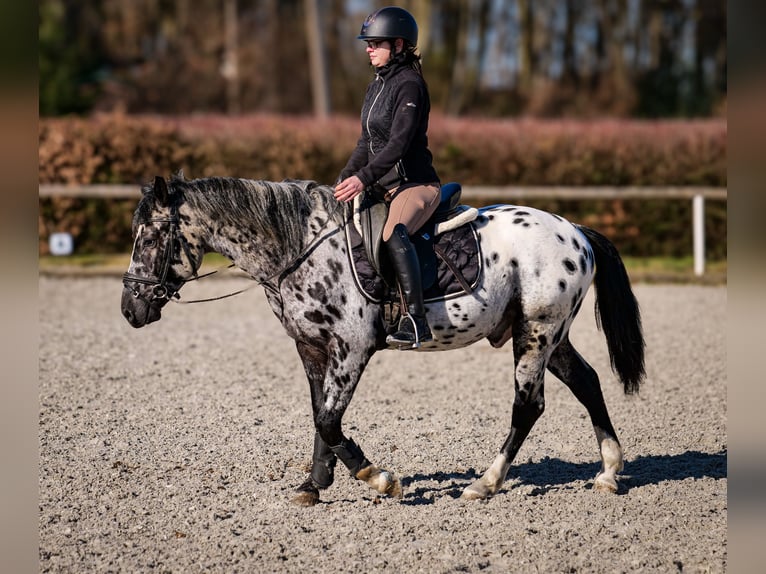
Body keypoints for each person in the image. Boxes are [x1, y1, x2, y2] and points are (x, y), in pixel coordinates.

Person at [334, 6, 441, 349]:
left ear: (398, 45)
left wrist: (363, 179)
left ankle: (416, 321)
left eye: (375, 42)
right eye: (367, 42)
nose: (368, 48)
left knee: (394, 234)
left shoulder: (410, 85)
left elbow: (399, 143)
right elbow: (366, 142)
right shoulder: (375, 87)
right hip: (383, 187)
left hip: (415, 186)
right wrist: (343, 179)